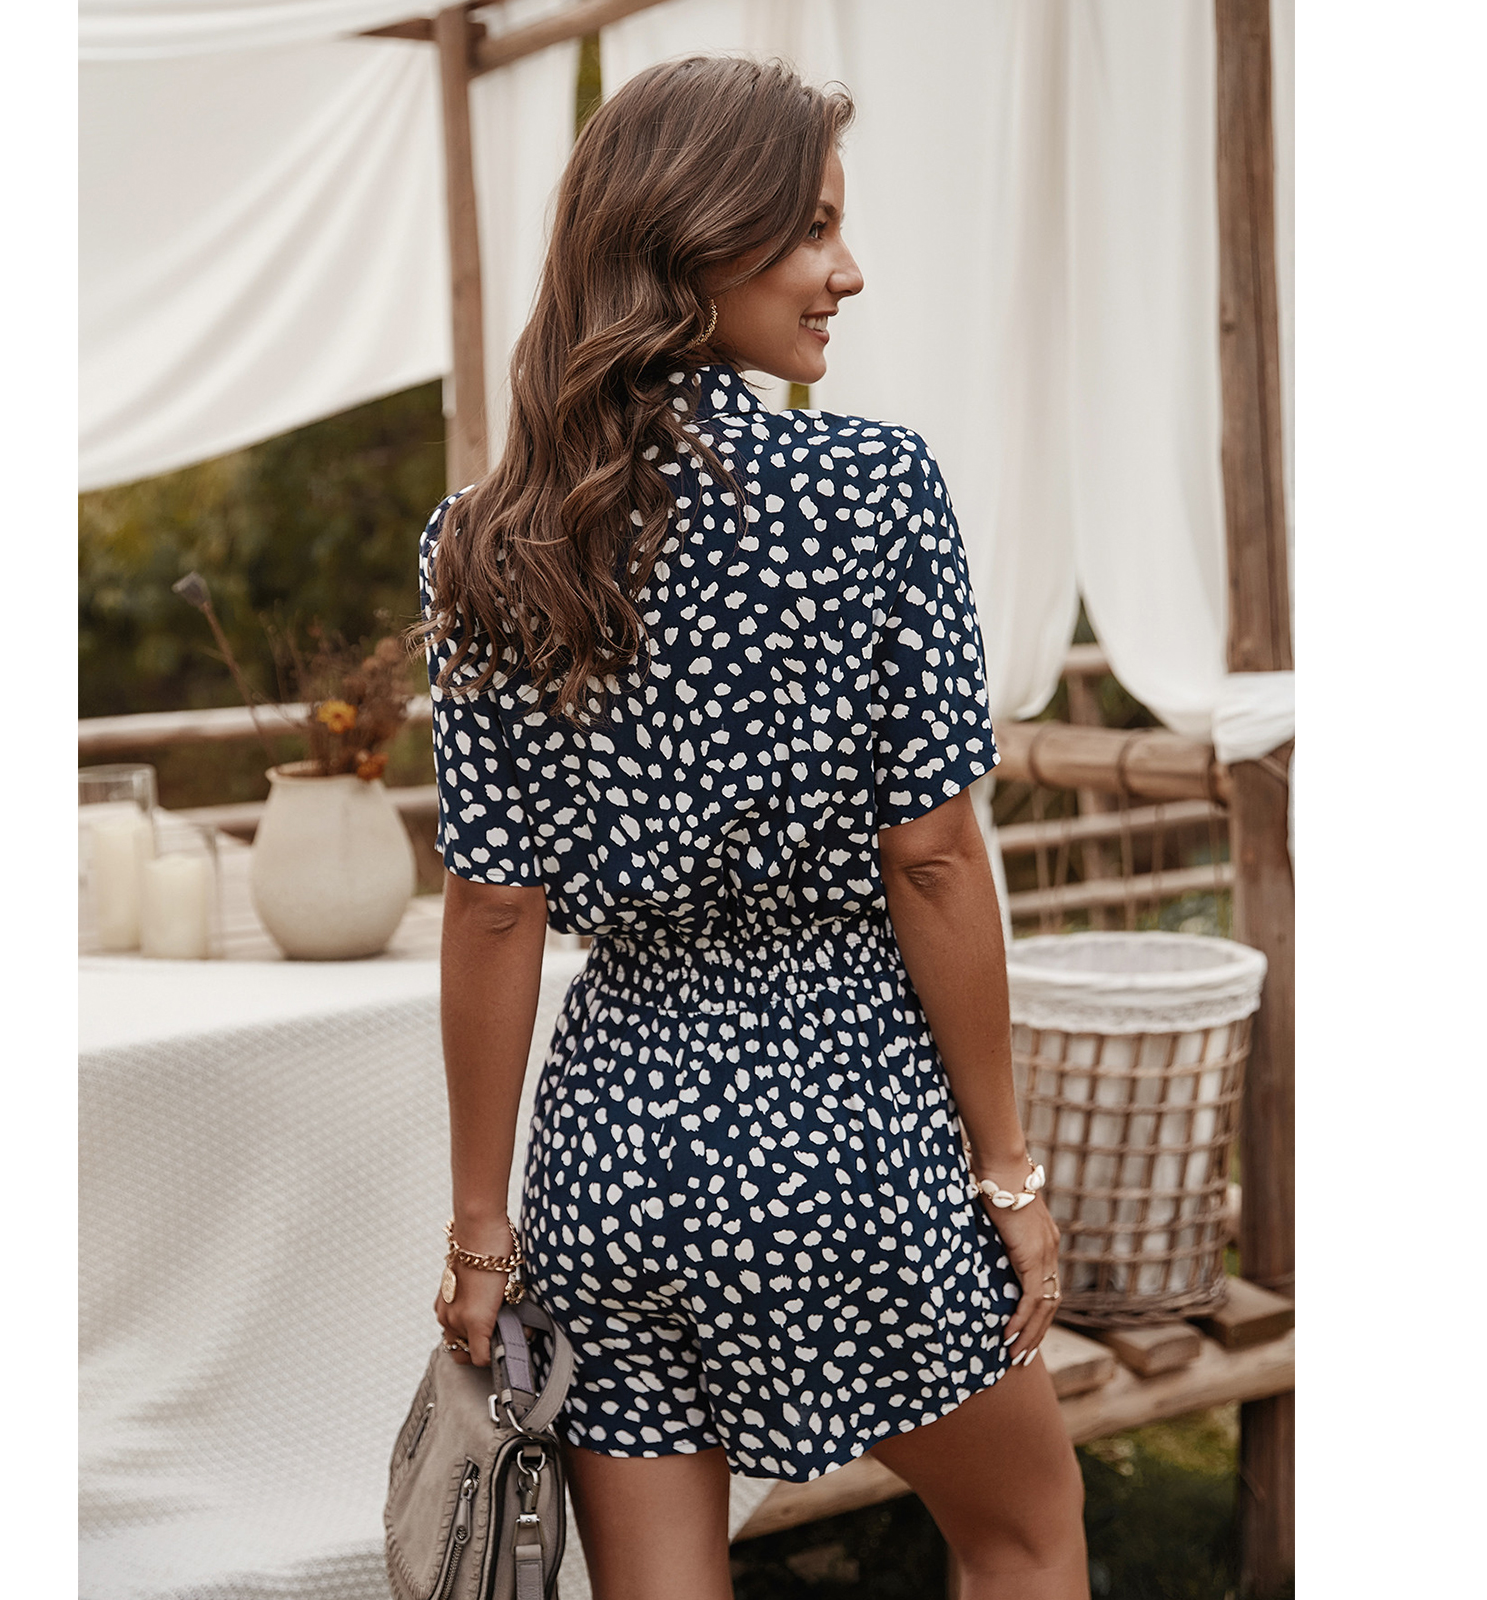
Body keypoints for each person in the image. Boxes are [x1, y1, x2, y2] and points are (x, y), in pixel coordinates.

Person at [417, 55, 1089, 1600]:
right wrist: (1006, 1174)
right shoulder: (872, 489)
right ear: (694, 240)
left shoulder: (489, 541)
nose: (848, 273)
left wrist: (481, 1233)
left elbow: (494, 906)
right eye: (813, 229)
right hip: (847, 1131)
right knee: (1024, 1532)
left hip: (614, 1160)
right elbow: (933, 857)